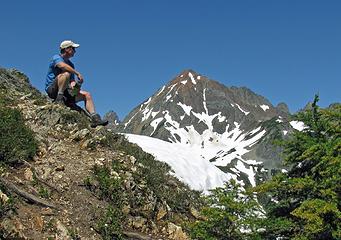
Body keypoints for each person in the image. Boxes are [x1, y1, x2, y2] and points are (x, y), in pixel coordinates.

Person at [45, 40, 108, 128]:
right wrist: (77, 73)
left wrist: (78, 84)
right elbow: (62, 66)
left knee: (87, 94)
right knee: (66, 74)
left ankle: (95, 118)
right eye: (73, 48)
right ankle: (58, 100)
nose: (75, 51)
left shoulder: (71, 64)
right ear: (67, 49)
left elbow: (72, 83)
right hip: (52, 90)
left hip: (66, 92)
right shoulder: (56, 58)